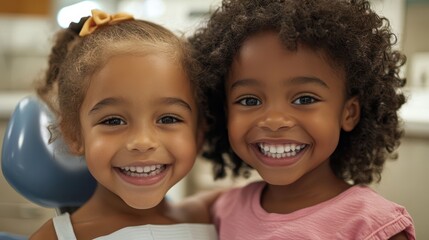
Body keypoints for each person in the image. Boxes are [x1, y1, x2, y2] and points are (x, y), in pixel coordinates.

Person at [190, 0, 416, 239]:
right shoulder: (224, 210)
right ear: (225, 112)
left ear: (348, 113)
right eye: (249, 101)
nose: (274, 120)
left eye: (305, 99)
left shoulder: (373, 226)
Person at [30, 9, 217, 240]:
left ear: (199, 132)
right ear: (74, 135)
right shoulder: (54, 237)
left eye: (168, 119)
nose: (142, 142)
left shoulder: (212, 216)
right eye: (113, 120)